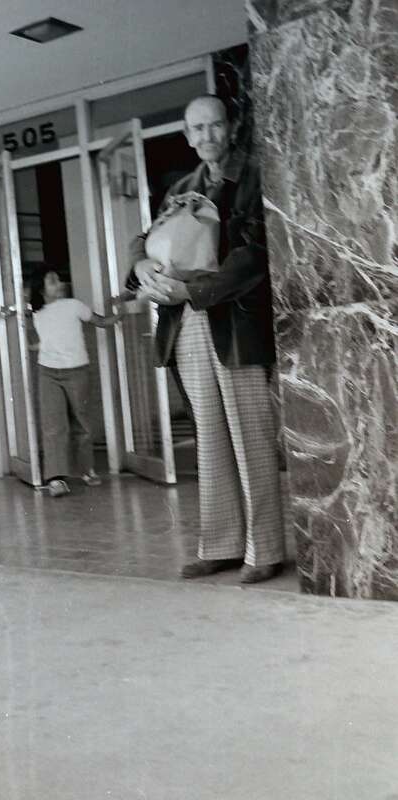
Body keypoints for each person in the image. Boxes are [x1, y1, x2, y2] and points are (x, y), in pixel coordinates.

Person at [127, 94, 285, 583]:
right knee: (211, 440)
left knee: (250, 438)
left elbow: (256, 252)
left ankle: (266, 552)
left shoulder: (256, 176)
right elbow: (145, 238)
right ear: (187, 134)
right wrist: (139, 263)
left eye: (214, 126)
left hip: (234, 323)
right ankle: (220, 545)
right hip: (187, 323)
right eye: (196, 129)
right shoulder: (182, 186)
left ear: (230, 127)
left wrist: (192, 288)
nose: (206, 137)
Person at [32, 271, 121, 498]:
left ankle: (86, 470)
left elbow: (100, 321)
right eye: (52, 280)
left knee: (82, 422)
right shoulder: (36, 313)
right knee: (54, 425)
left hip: (77, 370)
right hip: (48, 371)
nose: (59, 283)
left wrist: (120, 314)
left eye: (58, 279)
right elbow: (46, 339)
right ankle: (56, 479)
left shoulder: (73, 305)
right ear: (41, 289)